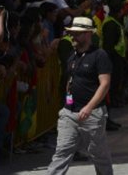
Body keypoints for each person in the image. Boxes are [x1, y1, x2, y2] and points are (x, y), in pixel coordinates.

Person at [47, 17, 113, 175]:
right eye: (71, 33)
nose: (73, 37)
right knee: (62, 152)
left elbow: (105, 84)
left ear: (88, 34)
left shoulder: (100, 55)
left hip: (92, 114)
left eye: (77, 34)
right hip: (69, 113)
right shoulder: (73, 55)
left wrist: (89, 108)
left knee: (98, 154)